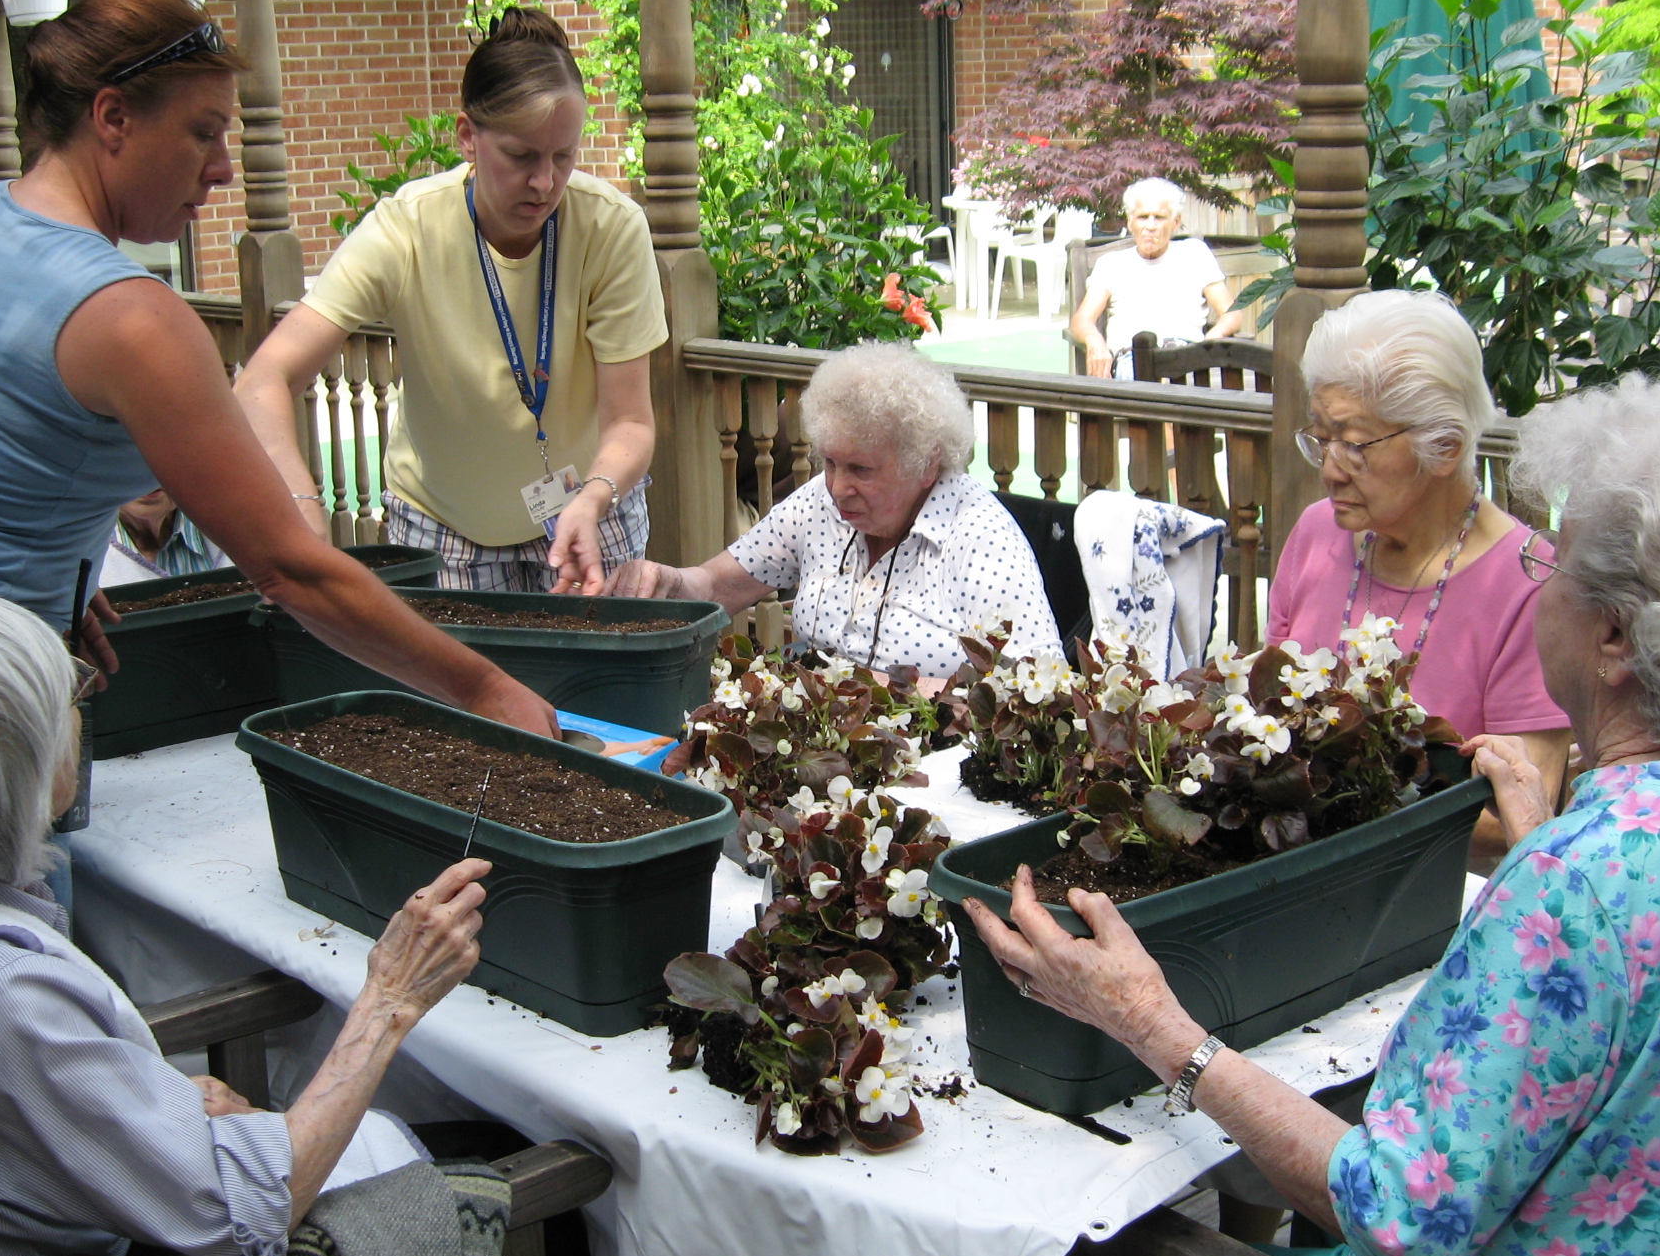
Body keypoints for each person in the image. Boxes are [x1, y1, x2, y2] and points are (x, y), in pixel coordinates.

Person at [967, 369, 1660, 1256]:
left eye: (1556, 560)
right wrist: (1545, 842)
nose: (1537, 577)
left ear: (1617, 638)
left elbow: (1387, 1212)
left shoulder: (1581, 889)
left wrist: (1146, 1019)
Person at [0, 0, 555, 755]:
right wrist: (485, 687)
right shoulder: (130, 316)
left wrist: (42, 575)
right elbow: (290, 569)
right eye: (203, 133)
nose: (222, 169)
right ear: (113, 118)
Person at [0, 592, 490, 1256]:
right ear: (15, 771)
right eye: (65, 699)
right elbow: (256, 1205)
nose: (81, 712)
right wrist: (389, 1002)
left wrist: (148, 1099)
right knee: (465, 1160)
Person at [234, 8, 663, 596]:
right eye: (521, 156)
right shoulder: (407, 227)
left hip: (591, 507)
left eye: (563, 156)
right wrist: (300, 509)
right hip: (443, 524)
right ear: (468, 136)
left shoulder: (611, 228)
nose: (545, 182)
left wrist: (591, 499)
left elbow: (632, 422)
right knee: (456, 690)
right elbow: (263, 380)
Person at [1269, 290, 1569, 800]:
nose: (1329, 469)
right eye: (1321, 438)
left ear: (1444, 446)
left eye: (1354, 444)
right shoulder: (1318, 532)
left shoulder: (1528, 583)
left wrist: (1345, 808)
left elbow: (1520, 809)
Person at [605, 343, 1059, 678]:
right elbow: (718, 586)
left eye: (861, 469)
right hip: (823, 746)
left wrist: (876, 690)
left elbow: (1041, 690)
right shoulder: (817, 504)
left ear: (927, 464)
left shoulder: (980, 536)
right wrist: (668, 582)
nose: (839, 488)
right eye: (830, 463)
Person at [1069, 177, 1240, 379]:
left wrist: (1213, 338)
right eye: (1142, 217)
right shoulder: (1111, 264)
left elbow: (1233, 313)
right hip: (1132, 360)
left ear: (1176, 222)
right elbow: (1082, 319)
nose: (1151, 225)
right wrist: (1095, 342)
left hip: (1188, 357)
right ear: (1130, 222)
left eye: (1159, 217)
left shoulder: (1195, 254)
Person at [99, 487, 230, 588]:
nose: (146, 475)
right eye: (129, 463)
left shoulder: (233, 529)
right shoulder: (84, 551)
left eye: (158, 461)